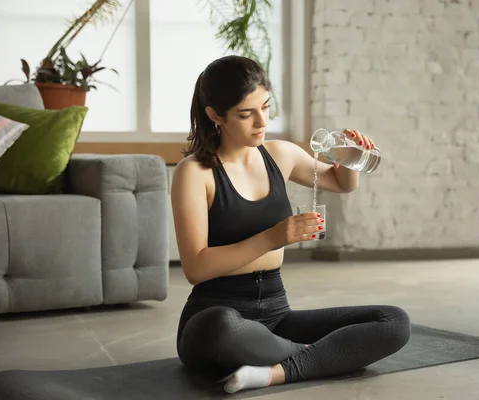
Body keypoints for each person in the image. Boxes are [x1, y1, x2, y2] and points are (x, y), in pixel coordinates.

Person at [171, 55, 411, 394]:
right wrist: (273, 237)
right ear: (214, 115)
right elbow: (195, 267)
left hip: (277, 316)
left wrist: (349, 158)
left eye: (266, 107)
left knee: (393, 322)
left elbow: (341, 184)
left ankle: (274, 373)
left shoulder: (280, 155)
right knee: (221, 329)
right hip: (217, 317)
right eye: (246, 114)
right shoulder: (194, 173)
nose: (261, 121)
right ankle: (324, 359)